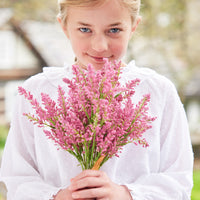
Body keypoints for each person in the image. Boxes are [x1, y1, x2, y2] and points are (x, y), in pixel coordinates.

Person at [0, 0, 193, 199]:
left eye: (114, 30)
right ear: (64, 27)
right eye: (85, 29)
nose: (99, 46)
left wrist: (124, 194)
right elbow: (17, 177)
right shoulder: (37, 92)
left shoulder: (158, 92)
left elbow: (178, 181)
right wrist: (58, 196)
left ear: (133, 26)